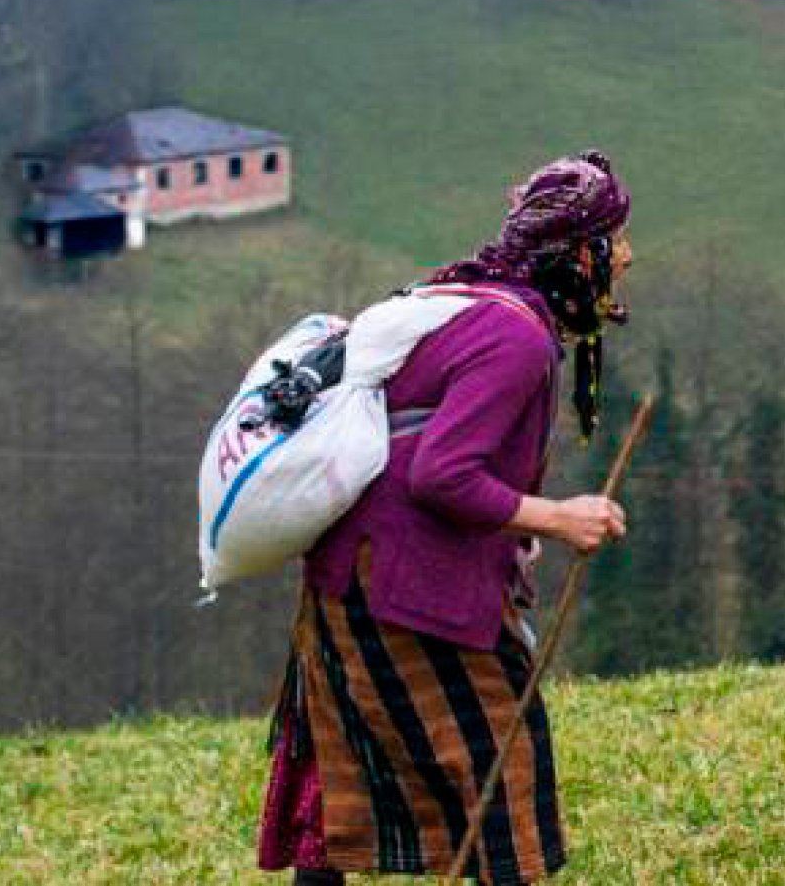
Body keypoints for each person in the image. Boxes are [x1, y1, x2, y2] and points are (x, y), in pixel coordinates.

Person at [257, 152, 635, 883]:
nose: (626, 255)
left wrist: (515, 528)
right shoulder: (518, 339)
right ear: (578, 255)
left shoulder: (474, 301)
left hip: (351, 571)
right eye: (612, 238)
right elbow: (441, 473)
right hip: (398, 585)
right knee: (501, 763)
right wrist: (556, 517)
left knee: (347, 765)